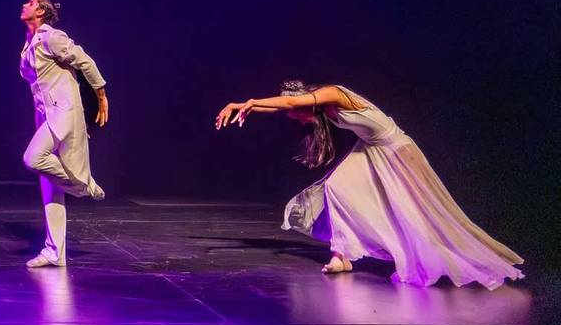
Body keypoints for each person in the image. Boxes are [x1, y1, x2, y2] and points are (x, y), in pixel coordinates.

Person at [215, 81, 524, 289]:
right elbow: (287, 106)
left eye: (297, 115)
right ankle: (342, 255)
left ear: (306, 103)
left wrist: (253, 100)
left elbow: (292, 102)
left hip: (396, 149)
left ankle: (450, 254)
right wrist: (244, 105)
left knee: (417, 208)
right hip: (370, 150)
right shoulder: (320, 109)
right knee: (335, 188)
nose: (296, 119)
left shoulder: (333, 93)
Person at [18, 0, 108, 268]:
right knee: (49, 189)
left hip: (64, 112)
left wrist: (101, 96)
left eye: (31, 2)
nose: (25, 4)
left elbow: (84, 61)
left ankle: (82, 184)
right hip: (46, 115)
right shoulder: (30, 42)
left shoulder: (51, 37)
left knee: (33, 159)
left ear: (42, 11)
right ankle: (54, 251)